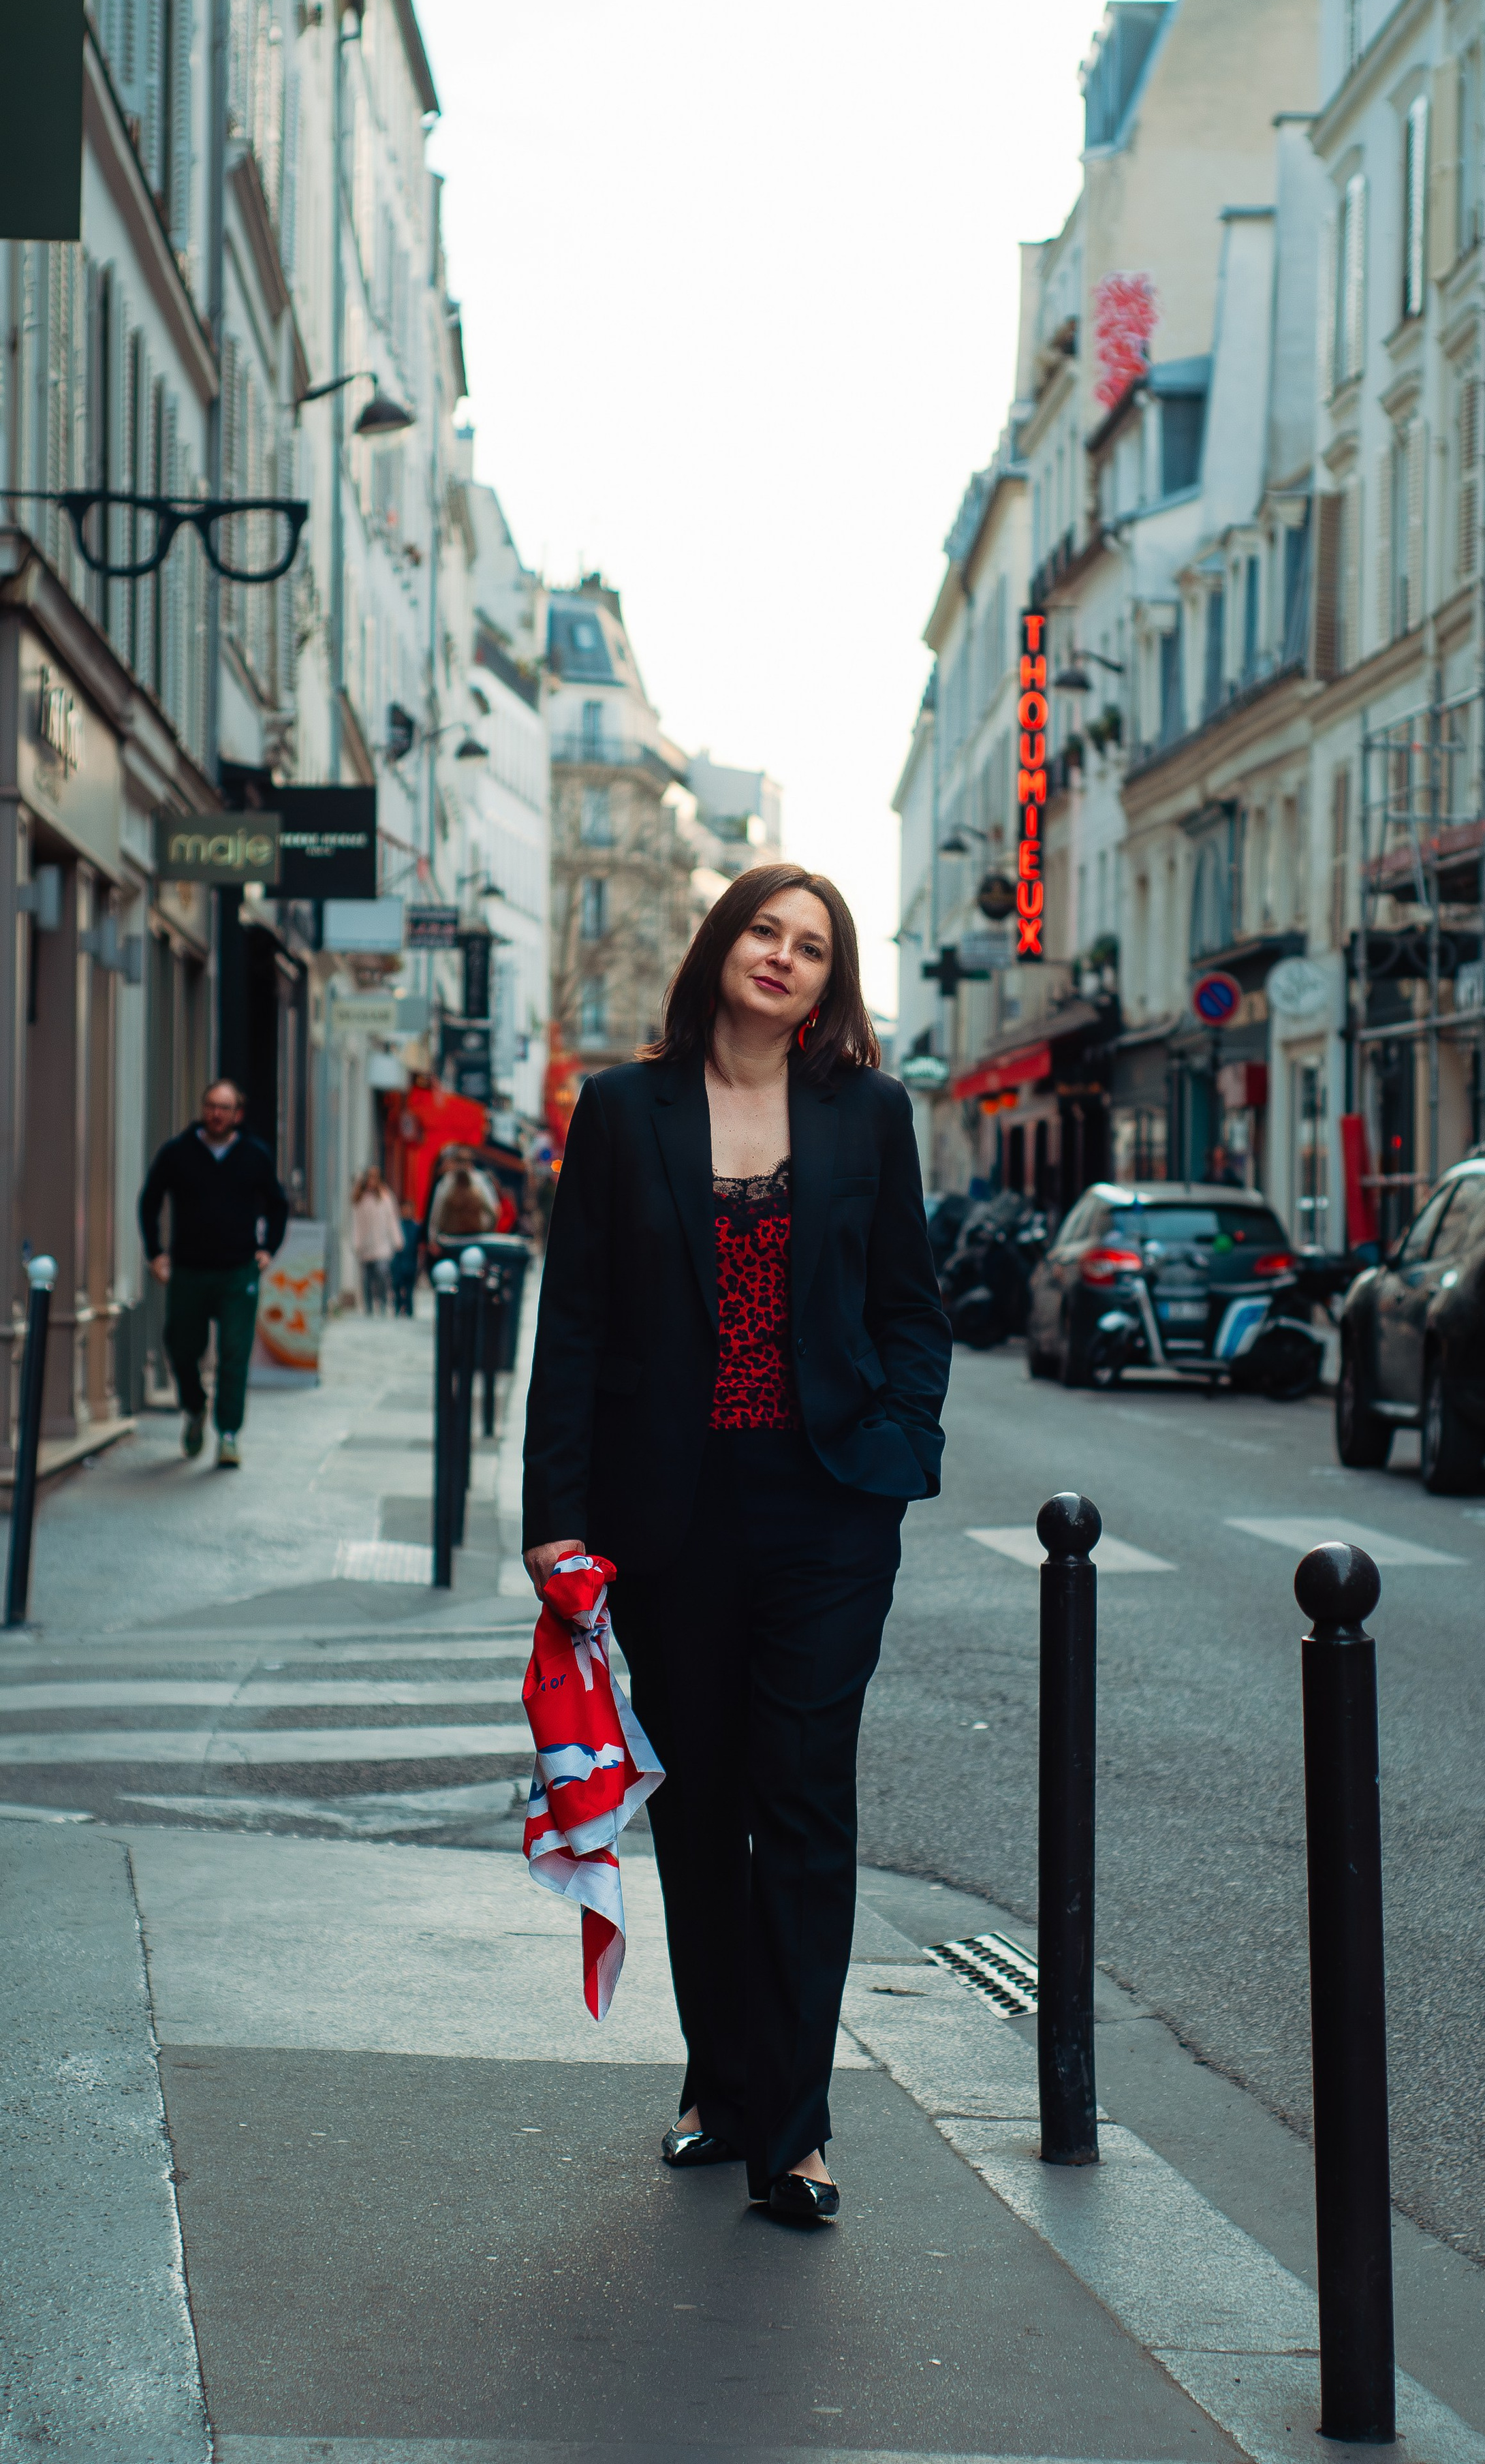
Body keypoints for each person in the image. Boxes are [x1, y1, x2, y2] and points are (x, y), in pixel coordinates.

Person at [522, 862, 950, 2226]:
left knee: (805, 1799)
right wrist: (554, 1517)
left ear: (831, 981)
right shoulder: (621, 1107)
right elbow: (575, 1323)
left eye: (811, 945)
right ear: (720, 944)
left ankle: (796, 2130)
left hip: (827, 1507)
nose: (781, 955)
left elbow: (909, 1306)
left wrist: (899, 1449)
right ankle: (720, 2081)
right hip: (672, 1510)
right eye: (763, 930)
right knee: (701, 1808)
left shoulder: (869, 1112)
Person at [140, 1079, 289, 1469]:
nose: (216, 1114)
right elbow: (150, 1200)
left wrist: (268, 1248)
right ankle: (194, 1408)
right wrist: (155, 1253)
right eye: (211, 1106)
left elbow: (278, 1204)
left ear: (238, 1114)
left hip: (238, 1272)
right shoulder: (178, 1153)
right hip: (189, 1270)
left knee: (235, 1353)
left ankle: (228, 1434)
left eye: (224, 1108)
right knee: (181, 1345)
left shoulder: (254, 1155)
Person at [351, 1166, 402, 1314]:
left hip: (382, 1244)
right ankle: (368, 1307)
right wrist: (356, 1242)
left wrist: (397, 1239)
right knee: (367, 1278)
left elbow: (392, 1220)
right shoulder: (360, 1198)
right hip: (365, 1244)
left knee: (382, 1273)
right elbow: (355, 1223)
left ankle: (383, 1303)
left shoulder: (385, 1197)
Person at [427, 1149, 501, 1247]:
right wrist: (433, 1239)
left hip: (472, 1237)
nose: (463, 1165)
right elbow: (437, 1212)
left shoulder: (479, 1181)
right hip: (456, 1238)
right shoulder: (448, 1182)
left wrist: (488, 1230)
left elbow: (494, 1211)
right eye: (460, 1161)